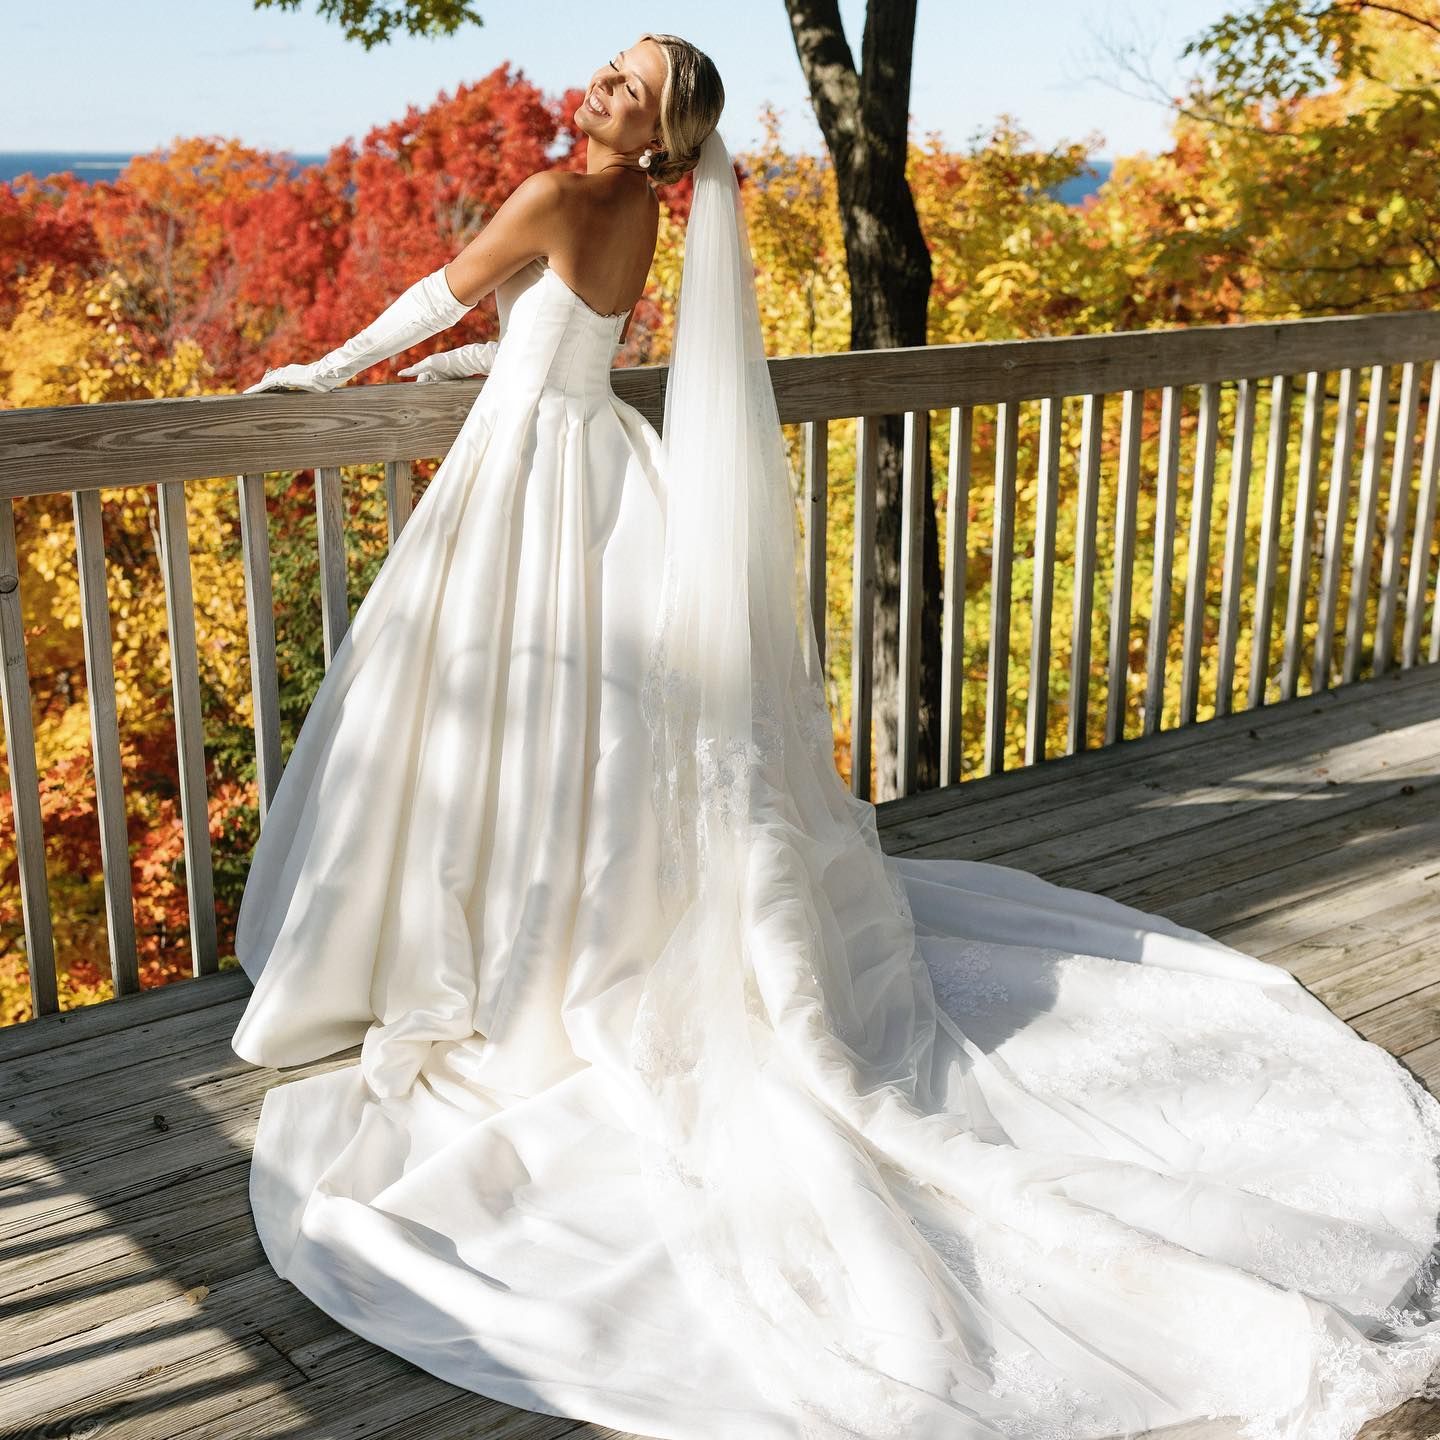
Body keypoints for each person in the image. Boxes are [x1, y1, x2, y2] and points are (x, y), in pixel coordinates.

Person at [232, 31, 1440, 1440]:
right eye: (608, 71)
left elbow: (429, 308)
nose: (599, 87)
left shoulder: (564, 190)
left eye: (630, 83)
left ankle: (477, 948)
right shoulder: (639, 214)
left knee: (486, 711)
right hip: (599, 470)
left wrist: (317, 374)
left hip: (529, 476)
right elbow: (557, 343)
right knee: (568, 737)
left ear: (663, 129)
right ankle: (534, 940)